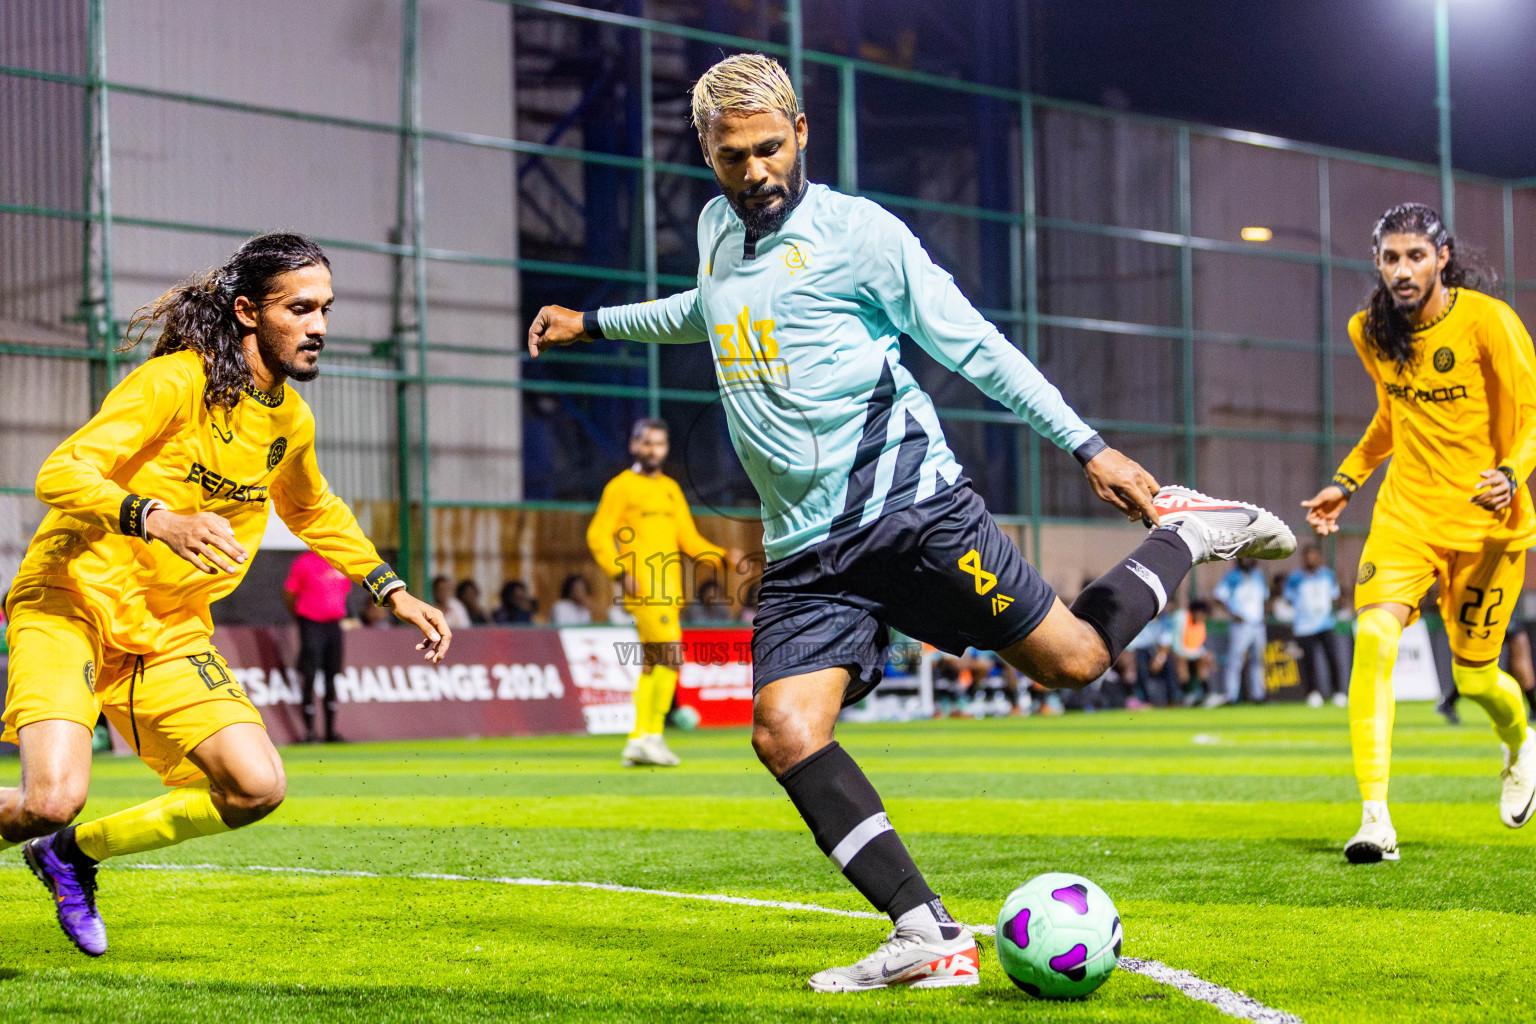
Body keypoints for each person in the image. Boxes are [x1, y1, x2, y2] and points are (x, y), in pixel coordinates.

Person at [528, 53, 1294, 992]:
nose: (758, 172)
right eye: (735, 158)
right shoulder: (716, 229)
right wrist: (596, 323)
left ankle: (1188, 534)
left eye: (772, 149)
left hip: (910, 515)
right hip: (807, 549)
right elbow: (714, 311)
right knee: (782, 728)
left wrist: (1089, 446)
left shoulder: (861, 235)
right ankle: (926, 933)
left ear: (803, 132)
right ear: (707, 154)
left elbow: (971, 342)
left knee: (1076, 664)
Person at [0, 233, 449, 957]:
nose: (320, 327)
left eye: (325, 310)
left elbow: (313, 509)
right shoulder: (174, 382)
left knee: (255, 787)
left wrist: (388, 587)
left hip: (168, 628)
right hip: (72, 602)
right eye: (300, 309)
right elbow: (60, 471)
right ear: (247, 311)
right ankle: (51, 831)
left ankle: (70, 857)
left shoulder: (288, 420)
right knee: (49, 800)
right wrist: (157, 517)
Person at [1302, 202, 1536, 864]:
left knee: (1479, 678)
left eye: (1415, 256)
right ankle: (1374, 818)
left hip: (1489, 529)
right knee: (1373, 638)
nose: (1402, 270)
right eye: (1390, 257)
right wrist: (1346, 482)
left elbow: (1530, 414)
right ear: (1377, 262)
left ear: (1443, 257)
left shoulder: (1489, 322)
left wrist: (1513, 474)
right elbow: (1389, 417)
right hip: (1406, 519)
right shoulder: (1369, 331)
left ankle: (1521, 743)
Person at [586, 418, 739, 767]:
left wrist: (723, 559)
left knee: (654, 664)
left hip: (671, 589)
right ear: (634, 445)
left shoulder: (670, 489)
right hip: (644, 588)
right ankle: (652, 735)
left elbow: (689, 540)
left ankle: (639, 738)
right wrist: (619, 571)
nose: (653, 450)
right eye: (647, 443)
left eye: (659, 444)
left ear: (666, 448)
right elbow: (598, 534)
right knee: (672, 656)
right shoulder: (620, 488)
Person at [282, 549, 352, 743]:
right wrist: (300, 616)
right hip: (311, 623)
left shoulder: (337, 560)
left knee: (332, 676)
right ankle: (309, 731)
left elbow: (343, 590)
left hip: (334, 625)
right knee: (310, 674)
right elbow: (289, 592)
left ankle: (331, 731)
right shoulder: (303, 562)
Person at [1284, 545, 1346, 708]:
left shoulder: (1327, 575)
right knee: (1308, 662)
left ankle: (1338, 692)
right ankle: (1312, 693)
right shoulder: (1295, 578)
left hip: (1325, 623)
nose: (1310, 559)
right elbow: (1288, 598)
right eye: (1307, 556)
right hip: (1304, 626)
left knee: (1332, 658)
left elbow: (1335, 596)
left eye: (1313, 556)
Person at [1211, 558, 1269, 706]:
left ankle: (1258, 695)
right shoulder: (1231, 576)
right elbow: (1218, 597)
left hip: (1258, 624)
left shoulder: (1258, 575)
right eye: (1243, 557)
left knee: (1259, 660)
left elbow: (1265, 597)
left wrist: (1264, 614)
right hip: (1240, 624)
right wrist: (1232, 613)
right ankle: (1231, 696)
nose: (1246, 560)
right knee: (1235, 661)